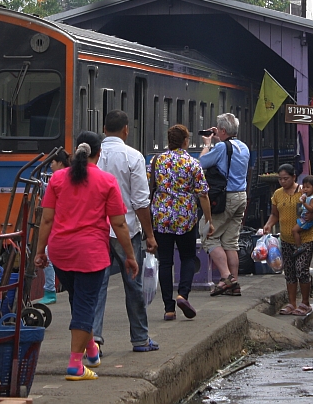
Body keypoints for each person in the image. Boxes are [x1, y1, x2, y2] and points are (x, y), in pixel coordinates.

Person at [34, 132, 137, 381]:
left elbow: (46, 219)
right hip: (90, 253)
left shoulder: (58, 179)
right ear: (98, 154)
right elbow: (120, 225)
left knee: (79, 300)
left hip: (60, 252)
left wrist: (39, 251)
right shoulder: (106, 181)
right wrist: (130, 256)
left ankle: (91, 351)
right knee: (85, 304)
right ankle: (75, 365)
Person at [93, 110, 159, 353]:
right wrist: (150, 235)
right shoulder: (134, 157)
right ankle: (140, 338)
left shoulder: (93, 157)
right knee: (134, 285)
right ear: (126, 130)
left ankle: (95, 340)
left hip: (98, 230)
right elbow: (141, 201)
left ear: (103, 128)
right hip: (127, 230)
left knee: (97, 285)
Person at [148, 124, 214, 321]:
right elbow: (203, 194)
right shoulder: (192, 163)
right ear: (185, 141)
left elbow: (148, 186)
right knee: (187, 257)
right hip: (186, 218)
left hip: (161, 218)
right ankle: (182, 295)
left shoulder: (156, 161)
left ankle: (169, 309)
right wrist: (209, 220)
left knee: (165, 262)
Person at [200, 113, 251, 297]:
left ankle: (226, 277)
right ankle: (234, 284)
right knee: (230, 242)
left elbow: (202, 163)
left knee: (208, 235)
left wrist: (207, 144)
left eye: (219, 129)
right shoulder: (243, 147)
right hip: (241, 196)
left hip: (226, 198)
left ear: (222, 130)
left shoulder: (221, 147)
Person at [259, 165, 313, 316]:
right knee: (289, 271)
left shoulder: (304, 191)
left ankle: (305, 303)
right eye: (280, 179)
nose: (283, 182)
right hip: (285, 238)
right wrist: (269, 224)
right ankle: (292, 303)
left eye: (286, 178)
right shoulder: (277, 194)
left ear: (294, 177)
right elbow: (274, 214)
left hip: (305, 238)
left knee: (302, 270)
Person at [38, 149, 70, 305]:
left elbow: (47, 216)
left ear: (61, 163)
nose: (51, 166)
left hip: (60, 228)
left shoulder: (57, 180)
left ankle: (50, 290)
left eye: (53, 162)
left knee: (47, 254)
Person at [296, 175, 313, 243]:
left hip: (306, 218)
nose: (305, 189)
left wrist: (304, 203)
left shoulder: (312, 198)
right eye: (304, 187)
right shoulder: (312, 194)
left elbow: (311, 209)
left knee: (294, 230)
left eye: (307, 187)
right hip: (308, 217)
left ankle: (298, 247)